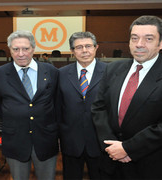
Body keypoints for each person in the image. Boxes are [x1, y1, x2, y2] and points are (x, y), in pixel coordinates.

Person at [91, 15, 162, 179]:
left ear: (160, 44)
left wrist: (129, 149)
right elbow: (99, 108)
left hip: (150, 164)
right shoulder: (113, 68)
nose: (139, 44)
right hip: (111, 162)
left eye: (148, 39)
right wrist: (113, 147)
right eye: (134, 38)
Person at [0, 30, 59, 180]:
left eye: (26, 49)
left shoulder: (52, 72)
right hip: (15, 139)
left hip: (45, 138)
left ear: (33, 49)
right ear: (10, 50)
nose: (21, 53)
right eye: (16, 49)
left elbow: (57, 103)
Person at [57, 31, 106, 179]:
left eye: (88, 46)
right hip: (71, 141)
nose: (84, 50)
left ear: (96, 47)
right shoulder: (61, 74)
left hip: (100, 141)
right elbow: (58, 107)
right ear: (72, 51)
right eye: (78, 47)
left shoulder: (110, 72)